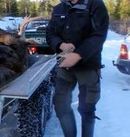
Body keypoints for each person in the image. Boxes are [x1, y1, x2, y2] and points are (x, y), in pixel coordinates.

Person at [46, 0, 109, 136]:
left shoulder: (95, 5)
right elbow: (50, 34)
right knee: (61, 105)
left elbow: (99, 35)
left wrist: (78, 55)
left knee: (86, 109)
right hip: (65, 67)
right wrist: (60, 44)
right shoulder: (59, 8)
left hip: (88, 66)